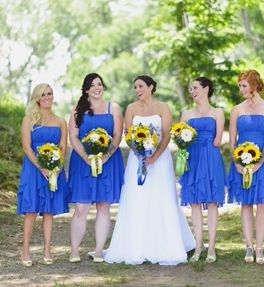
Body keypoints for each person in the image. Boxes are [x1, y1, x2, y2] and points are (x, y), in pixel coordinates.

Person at [104, 75, 196, 265]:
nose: (137, 90)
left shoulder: (163, 107)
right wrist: (139, 153)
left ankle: (165, 245)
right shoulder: (131, 108)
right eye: (135, 87)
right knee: (137, 198)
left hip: (160, 161)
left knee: (161, 198)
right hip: (136, 160)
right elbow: (128, 135)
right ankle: (136, 245)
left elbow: (166, 136)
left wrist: (154, 156)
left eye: (141, 86)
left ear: (151, 87)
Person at [67, 73, 125, 263]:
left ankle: (99, 250)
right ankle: (74, 250)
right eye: (92, 85)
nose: (97, 88)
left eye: (99, 84)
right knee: (82, 207)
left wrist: (106, 156)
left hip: (108, 162)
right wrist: (86, 156)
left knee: (103, 206)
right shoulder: (78, 109)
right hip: (83, 162)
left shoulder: (113, 108)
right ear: (86, 89)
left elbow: (117, 135)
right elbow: (73, 136)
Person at [227, 69, 264, 264]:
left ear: (254, 85)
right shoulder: (236, 110)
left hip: (262, 163)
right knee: (246, 204)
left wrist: (258, 163)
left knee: (263, 205)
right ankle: (248, 246)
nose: (240, 90)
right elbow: (232, 139)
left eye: (243, 86)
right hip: (241, 161)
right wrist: (237, 163)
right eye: (239, 86)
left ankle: (259, 247)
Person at [17, 83, 69, 266]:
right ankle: (25, 251)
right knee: (31, 210)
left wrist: (56, 166)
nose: (47, 97)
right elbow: (26, 146)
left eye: (50, 93)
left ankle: (47, 250)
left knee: (48, 211)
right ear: (37, 98)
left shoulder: (61, 121)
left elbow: (63, 147)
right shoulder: (29, 120)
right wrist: (41, 167)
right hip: (33, 169)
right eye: (43, 94)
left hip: (54, 170)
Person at [179, 77, 227, 263]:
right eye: (190, 89)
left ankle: (212, 247)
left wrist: (201, 139)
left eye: (196, 88)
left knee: (213, 202)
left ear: (206, 89)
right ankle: (198, 246)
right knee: (195, 203)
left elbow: (217, 140)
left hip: (210, 157)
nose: (192, 91)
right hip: (192, 158)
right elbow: (180, 139)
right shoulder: (186, 114)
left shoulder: (218, 112)